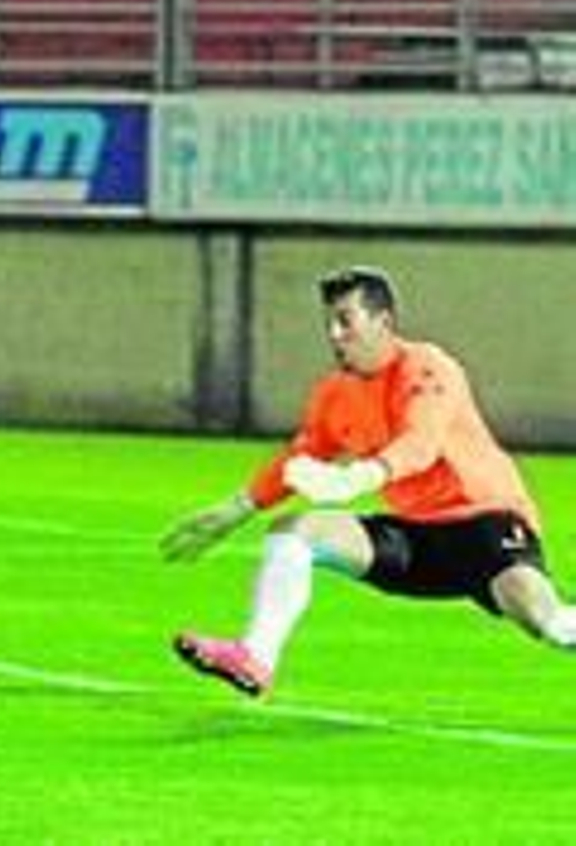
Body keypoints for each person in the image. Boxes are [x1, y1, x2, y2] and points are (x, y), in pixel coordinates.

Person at [161, 265, 575, 697]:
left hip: (485, 525)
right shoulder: (334, 393)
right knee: (294, 532)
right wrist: (237, 509)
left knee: (549, 624)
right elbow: (300, 457)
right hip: (416, 538)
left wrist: (356, 478)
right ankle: (256, 656)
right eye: (329, 323)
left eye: (346, 321)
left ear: (384, 322)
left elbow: (421, 443)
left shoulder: (428, 368)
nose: (335, 335)